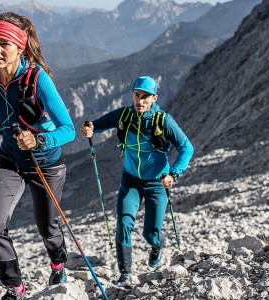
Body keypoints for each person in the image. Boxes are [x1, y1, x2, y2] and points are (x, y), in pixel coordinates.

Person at [0, 11, 75, 300]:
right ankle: (13, 285)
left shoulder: (38, 80)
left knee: (47, 226)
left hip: (46, 163)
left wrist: (39, 138)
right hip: (9, 159)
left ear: (20, 46)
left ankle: (58, 263)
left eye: (4, 43)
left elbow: (68, 129)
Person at [79, 76, 193, 287]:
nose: (140, 101)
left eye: (146, 97)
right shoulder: (124, 115)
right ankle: (124, 273)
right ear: (132, 94)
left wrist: (174, 174)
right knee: (124, 221)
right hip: (130, 179)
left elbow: (186, 148)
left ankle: (157, 245)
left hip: (157, 182)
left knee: (150, 233)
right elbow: (98, 125)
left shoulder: (163, 121)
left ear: (154, 98)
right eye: (137, 95)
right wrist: (89, 128)